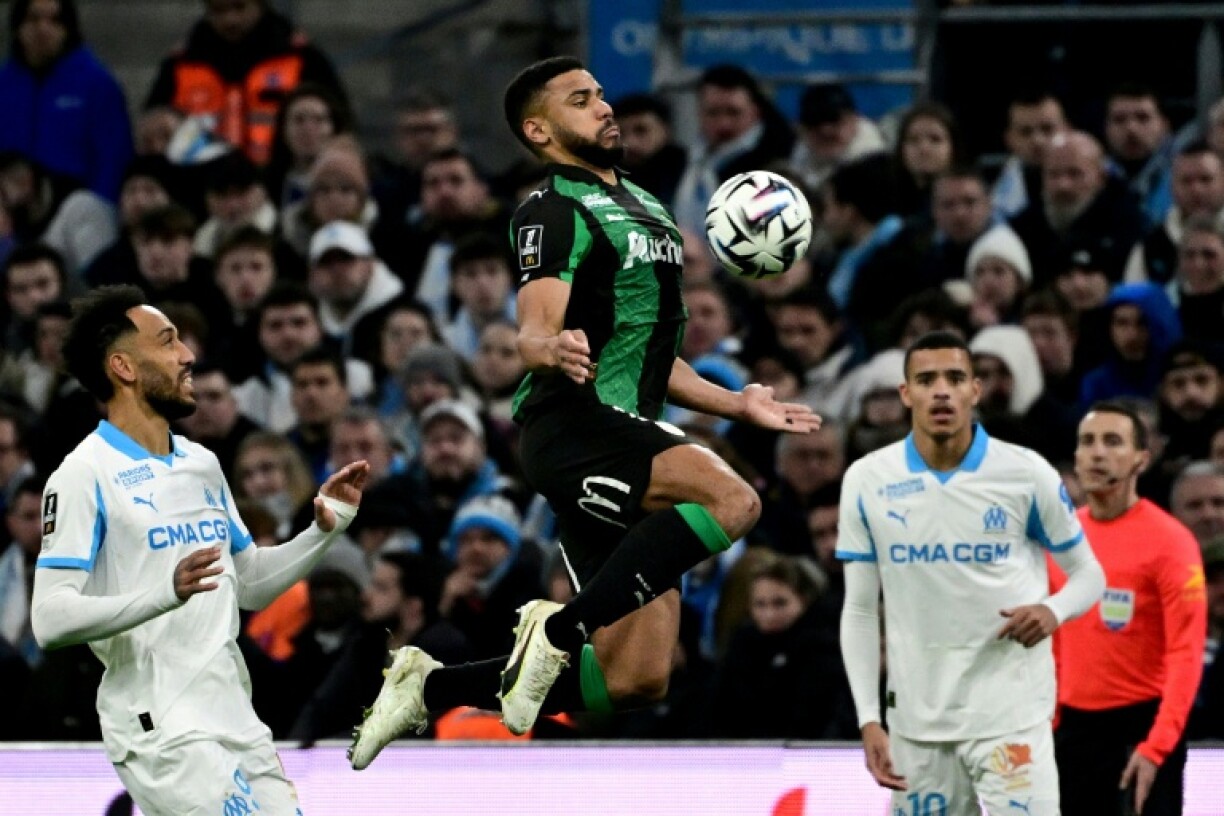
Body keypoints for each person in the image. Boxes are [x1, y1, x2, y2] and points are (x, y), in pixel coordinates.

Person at [347, 56, 820, 769]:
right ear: (539, 130)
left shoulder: (650, 208)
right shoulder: (552, 210)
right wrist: (549, 346)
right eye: (580, 99)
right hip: (573, 426)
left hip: (626, 435)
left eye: (600, 94)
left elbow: (655, 360)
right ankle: (560, 630)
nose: (604, 107)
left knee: (638, 678)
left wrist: (738, 403)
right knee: (734, 499)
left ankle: (429, 687)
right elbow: (533, 325)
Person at [29, 284, 370, 814]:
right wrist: (163, 592)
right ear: (123, 367)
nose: (187, 355)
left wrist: (325, 531)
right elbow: (50, 620)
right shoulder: (83, 475)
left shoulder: (201, 464)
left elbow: (248, 582)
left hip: (236, 719)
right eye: (167, 343)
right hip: (161, 727)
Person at [837, 330, 1105, 815]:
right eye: (926, 379)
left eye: (955, 377)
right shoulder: (867, 479)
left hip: (1011, 718)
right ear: (905, 394)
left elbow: (1088, 574)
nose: (941, 390)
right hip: (916, 724)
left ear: (975, 391)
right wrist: (869, 719)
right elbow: (858, 608)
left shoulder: (1025, 473)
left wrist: (1052, 609)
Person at [1052, 402, 1207, 816]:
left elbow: (1185, 654)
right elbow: (1052, 645)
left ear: (1142, 458)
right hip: (1072, 732)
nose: (1097, 453)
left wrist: (1157, 747)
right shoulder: (1062, 540)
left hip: (1141, 729)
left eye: (1112, 441)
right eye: (1088, 442)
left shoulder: (1171, 543)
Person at [0, 0, 132, 203]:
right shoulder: (4, 85)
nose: (43, 29)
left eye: (54, 21)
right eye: (33, 19)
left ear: (68, 29)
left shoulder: (97, 85)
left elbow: (112, 159)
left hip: (74, 208)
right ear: (18, 27)